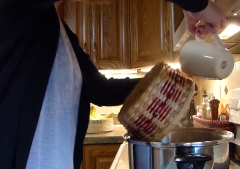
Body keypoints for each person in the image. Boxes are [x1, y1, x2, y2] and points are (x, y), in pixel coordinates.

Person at [0, 0, 226, 169]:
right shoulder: (18, 9)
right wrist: (199, 5)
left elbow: (102, 91)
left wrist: (166, 82)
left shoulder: (61, 33)